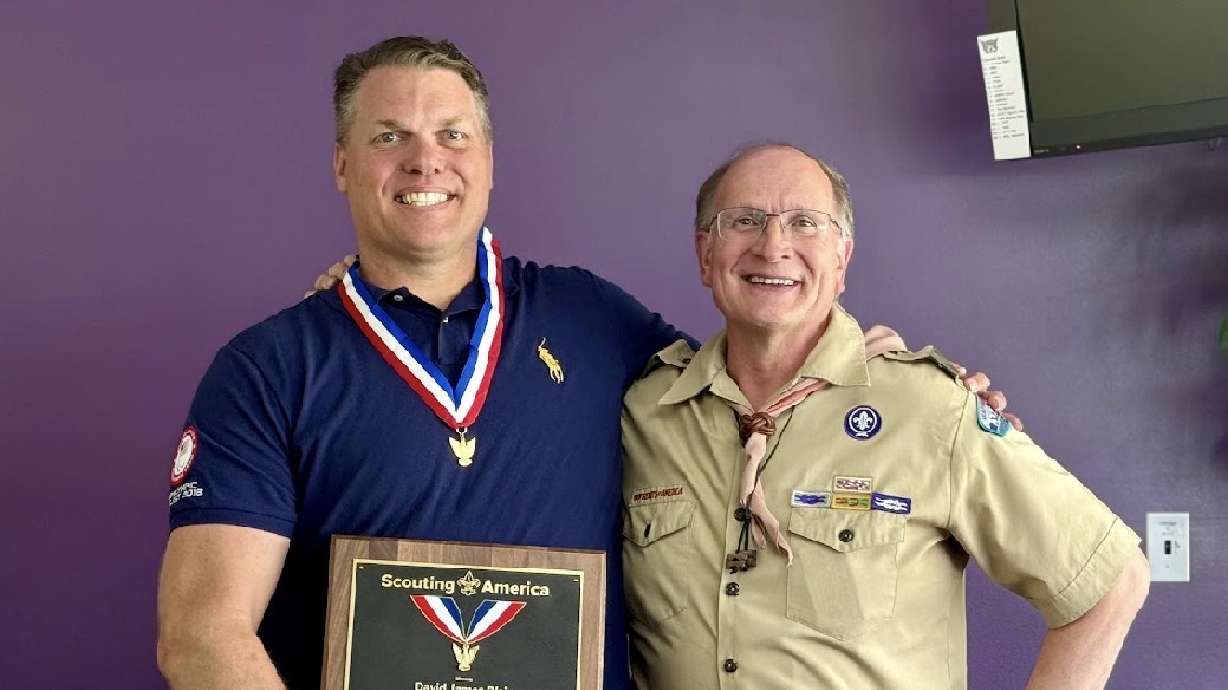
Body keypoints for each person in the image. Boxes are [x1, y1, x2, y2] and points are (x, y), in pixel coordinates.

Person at [155, 37, 1014, 690]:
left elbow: (747, 384)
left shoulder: (590, 318)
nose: (426, 160)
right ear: (344, 164)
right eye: (390, 136)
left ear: (488, 162)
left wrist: (872, 370)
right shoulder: (267, 368)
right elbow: (201, 633)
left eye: (453, 133)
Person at [620, 143, 1149, 690]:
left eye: (805, 223)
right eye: (745, 221)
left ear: (842, 258)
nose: (773, 245)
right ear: (706, 254)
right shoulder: (645, 412)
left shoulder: (929, 406)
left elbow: (1109, 579)